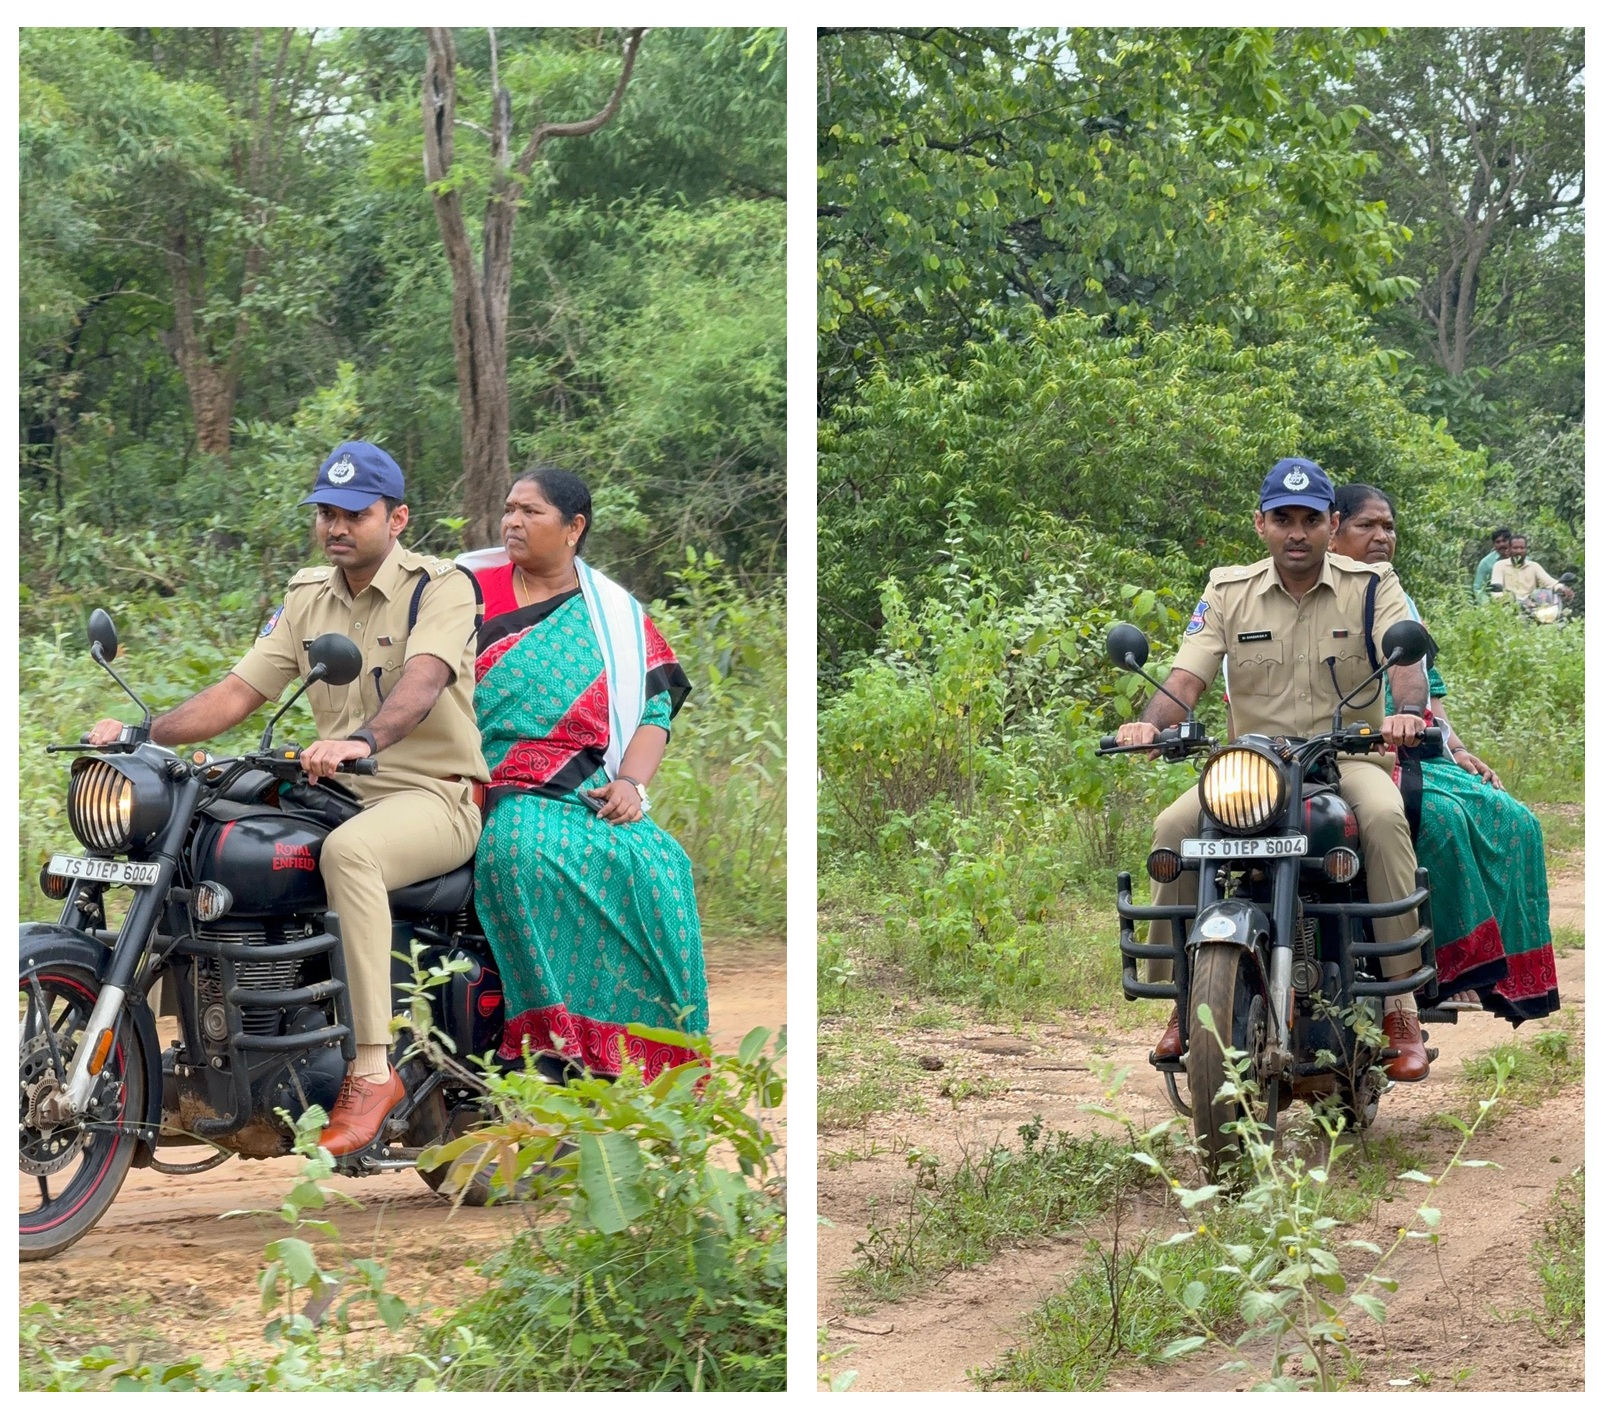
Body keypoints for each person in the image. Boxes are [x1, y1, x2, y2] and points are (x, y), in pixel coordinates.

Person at [87, 441, 488, 1155]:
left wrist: (363, 739)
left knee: (351, 855)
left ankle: (371, 1068)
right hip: (334, 789)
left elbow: (423, 682)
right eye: (325, 513)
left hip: (433, 795)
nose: (336, 526)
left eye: (353, 513)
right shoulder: (309, 595)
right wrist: (142, 731)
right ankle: (192, 1055)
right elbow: (240, 691)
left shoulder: (441, 587)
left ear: (397, 519)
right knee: (206, 834)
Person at [1116, 458, 1433, 1080]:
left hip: (1346, 758)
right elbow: (1187, 676)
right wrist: (1150, 725)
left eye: (1310, 519)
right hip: (1253, 767)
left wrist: (1409, 713)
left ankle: (1399, 1003)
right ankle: (1186, 995)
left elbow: (1406, 664)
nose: (1296, 532)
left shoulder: (1372, 584)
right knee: (1173, 829)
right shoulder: (1227, 590)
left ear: (1330, 523)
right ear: (1260, 523)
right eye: (1282, 519)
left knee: (1387, 820)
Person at [470, 467, 709, 1080]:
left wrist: (631, 783)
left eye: (531, 512)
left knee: (661, 865)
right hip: (489, 774)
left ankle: (648, 1055)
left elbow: (655, 708)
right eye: (509, 509)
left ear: (574, 527)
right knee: (517, 851)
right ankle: (552, 1042)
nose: (512, 522)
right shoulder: (468, 588)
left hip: (585, 785)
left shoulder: (615, 617)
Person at [1332, 484, 1560, 1025]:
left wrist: (1456, 748)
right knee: (1443, 820)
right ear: (1333, 529)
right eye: (1367, 526)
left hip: (1416, 749)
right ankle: (1443, 971)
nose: (1382, 537)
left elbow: (1426, 689)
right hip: (1350, 753)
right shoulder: (1321, 593)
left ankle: (1502, 976)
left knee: (1517, 822)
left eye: (1388, 526)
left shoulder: (1395, 597)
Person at [1490, 535, 1571, 605]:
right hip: (1509, 608)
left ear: (1526, 550)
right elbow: (1497, 590)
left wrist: (1562, 588)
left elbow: (1551, 583)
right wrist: (1505, 598)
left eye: (1522, 548)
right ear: (1509, 549)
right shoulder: (1499, 566)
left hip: (1533, 608)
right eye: (1515, 548)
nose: (1519, 551)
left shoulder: (1534, 566)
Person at [1471, 527, 1513, 603]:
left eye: (1504, 541)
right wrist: (1487, 605)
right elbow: (1478, 588)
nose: (1501, 544)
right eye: (1498, 542)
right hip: (1495, 603)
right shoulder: (1486, 563)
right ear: (1494, 544)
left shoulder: (1522, 559)